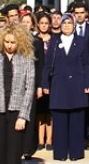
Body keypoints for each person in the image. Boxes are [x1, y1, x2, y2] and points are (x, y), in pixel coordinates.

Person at [0, 26, 37, 164]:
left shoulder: (26, 57)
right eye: (6, 42)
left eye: (13, 42)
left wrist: (23, 116)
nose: (9, 45)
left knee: (14, 154)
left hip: (16, 111)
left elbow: (29, 88)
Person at [47, 12, 89, 161]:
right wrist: (44, 84)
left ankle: (76, 153)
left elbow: (86, 63)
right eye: (64, 23)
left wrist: (87, 82)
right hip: (59, 85)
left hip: (77, 85)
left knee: (77, 121)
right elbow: (47, 65)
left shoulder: (81, 41)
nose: (66, 26)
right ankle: (60, 153)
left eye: (69, 23)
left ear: (74, 25)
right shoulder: (54, 41)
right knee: (59, 122)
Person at [33, 12, 56, 152]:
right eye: (41, 23)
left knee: (50, 111)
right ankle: (40, 140)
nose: (44, 26)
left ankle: (49, 140)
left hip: (53, 79)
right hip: (38, 77)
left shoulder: (55, 39)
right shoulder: (34, 39)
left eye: (46, 23)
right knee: (40, 112)